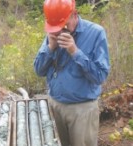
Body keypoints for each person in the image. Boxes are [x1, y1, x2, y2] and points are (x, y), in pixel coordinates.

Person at [33, 0, 110, 146]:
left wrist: (75, 52)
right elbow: (38, 70)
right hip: (55, 106)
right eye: (55, 27)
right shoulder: (53, 32)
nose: (59, 30)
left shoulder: (96, 33)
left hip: (82, 110)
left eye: (63, 25)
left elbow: (100, 76)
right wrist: (50, 47)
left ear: (74, 14)